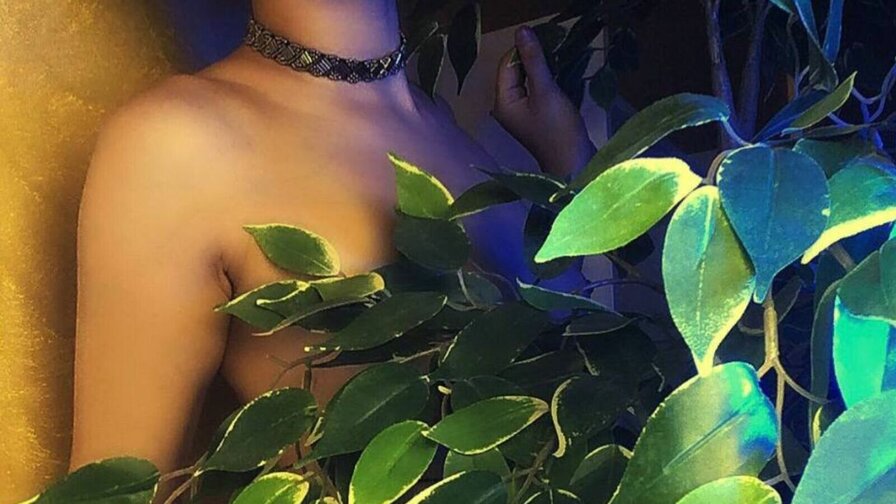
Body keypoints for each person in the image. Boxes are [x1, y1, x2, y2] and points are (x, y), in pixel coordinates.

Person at [70, 0, 595, 499]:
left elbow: (577, 370)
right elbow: (111, 495)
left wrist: (575, 168)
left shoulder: (449, 129)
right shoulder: (173, 143)